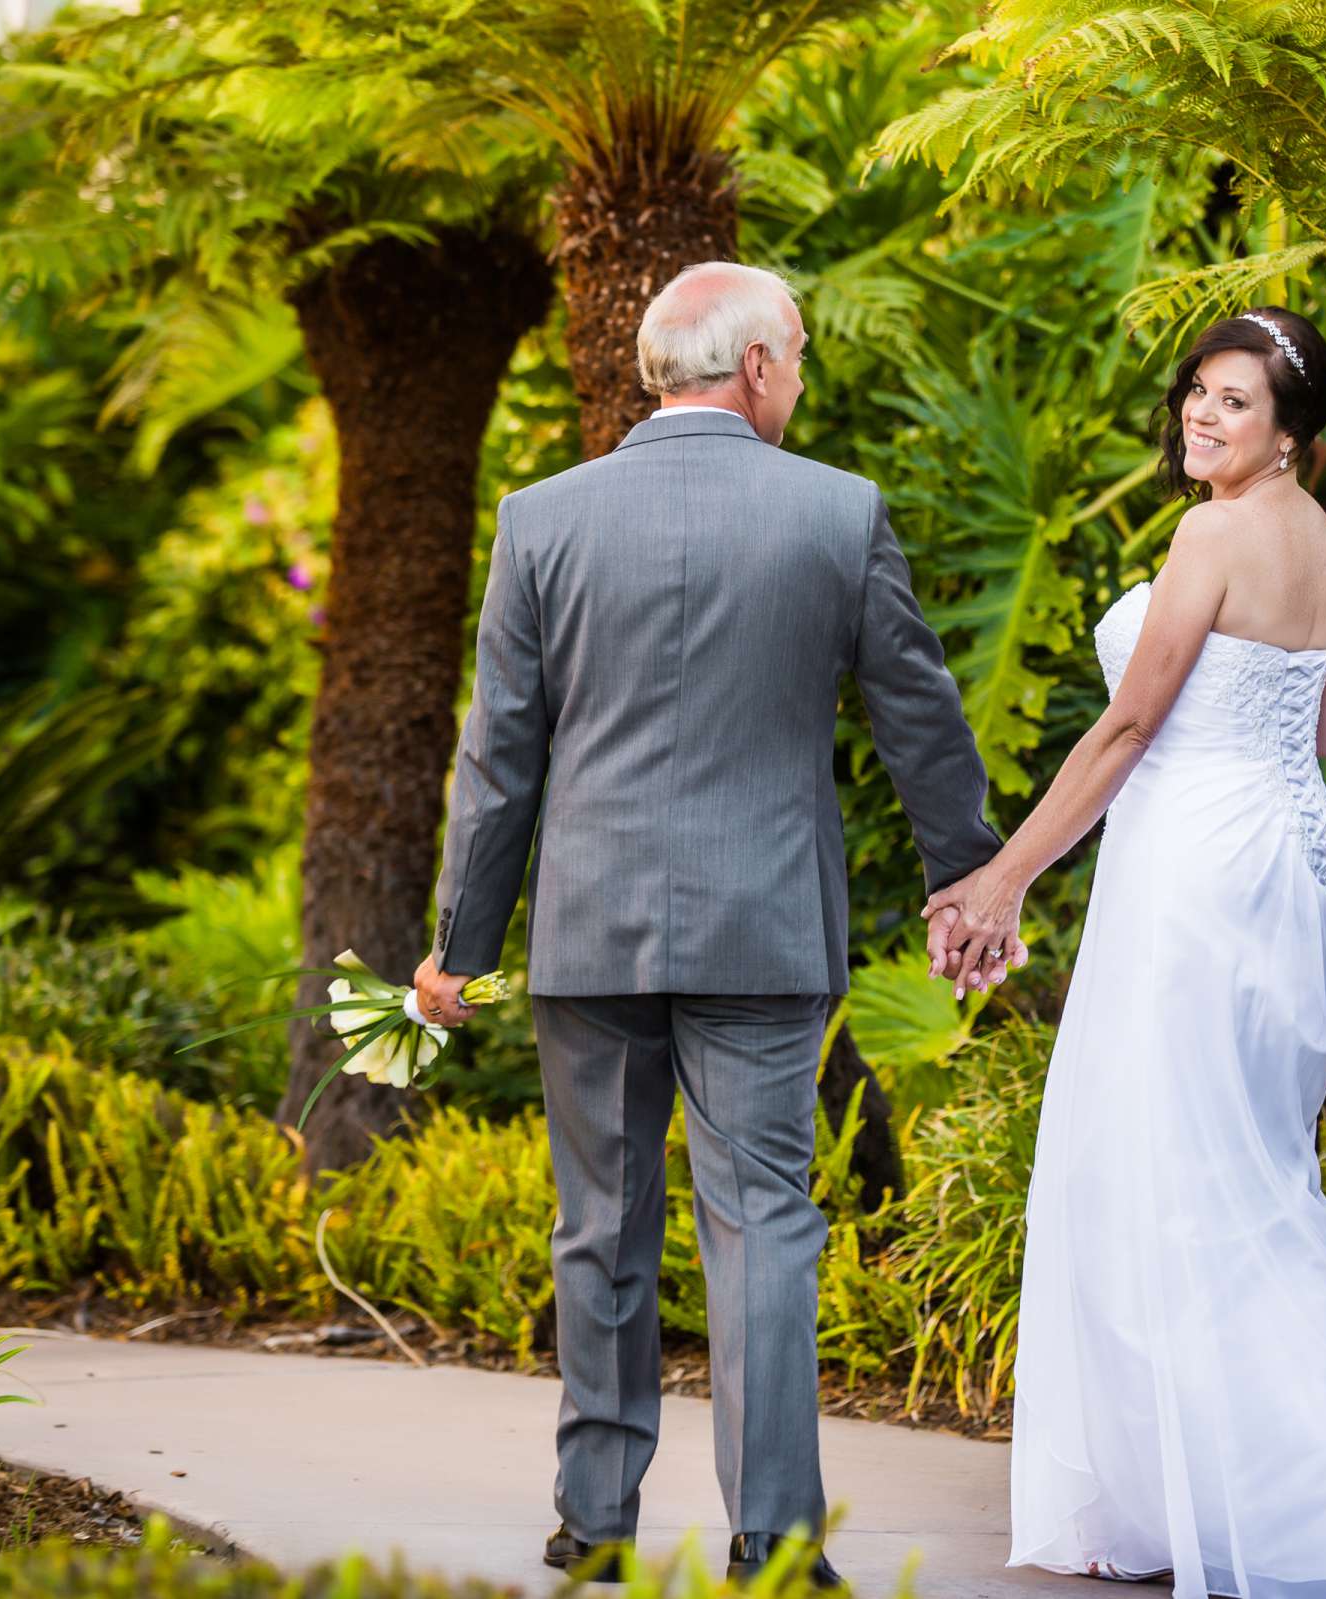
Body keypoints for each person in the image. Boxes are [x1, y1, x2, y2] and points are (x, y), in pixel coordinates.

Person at [412, 261, 1010, 1589]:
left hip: (589, 933)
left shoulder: (542, 519)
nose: (798, 375)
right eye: (795, 353)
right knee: (764, 1228)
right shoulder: (836, 513)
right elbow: (920, 719)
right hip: (761, 931)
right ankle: (779, 1546)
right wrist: (967, 880)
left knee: (601, 1225)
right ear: (751, 369)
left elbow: (496, 755)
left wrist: (461, 943)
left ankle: (594, 1523)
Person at [925, 308, 1326, 1599]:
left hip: (1192, 874)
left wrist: (1002, 878)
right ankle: (1261, 1502)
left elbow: (1131, 723)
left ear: (1290, 430)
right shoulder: (1324, 539)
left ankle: (1246, 1512)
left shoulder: (1212, 532)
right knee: (1248, 1171)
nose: (1203, 417)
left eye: (1236, 403)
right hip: (1291, 868)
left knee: (1174, 1170)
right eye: (1198, 393)